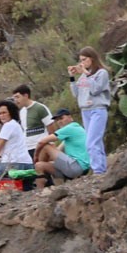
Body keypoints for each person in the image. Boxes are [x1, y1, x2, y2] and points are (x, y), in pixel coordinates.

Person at [68, 46, 110, 174]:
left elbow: (95, 89)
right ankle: (102, 169)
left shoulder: (101, 73)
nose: (82, 63)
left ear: (92, 58)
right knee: (96, 142)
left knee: (91, 142)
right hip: (85, 110)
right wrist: (72, 78)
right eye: (80, 60)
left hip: (98, 109)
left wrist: (86, 73)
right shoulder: (83, 76)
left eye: (84, 59)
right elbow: (76, 94)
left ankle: (98, 171)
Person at [33, 109, 90, 183]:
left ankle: (44, 177)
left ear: (70, 117)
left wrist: (36, 156)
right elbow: (57, 152)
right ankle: (40, 192)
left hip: (77, 167)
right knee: (39, 165)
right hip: (80, 169)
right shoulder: (76, 130)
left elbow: (41, 142)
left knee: (46, 146)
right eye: (57, 120)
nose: (59, 121)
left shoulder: (70, 128)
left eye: (61, 118)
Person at [0, 99, 33, 180]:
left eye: (4, 113)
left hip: (15, 164)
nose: (2, 116)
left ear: (11, 113)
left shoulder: (8, 125)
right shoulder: (16, 125)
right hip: (27, 163)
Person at [10, 84, 55, 157]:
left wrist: (51, 144)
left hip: (41, 147)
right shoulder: (22, 112)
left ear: (26, 96)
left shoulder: (40, 108)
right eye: (14, 98)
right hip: (27, 149)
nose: (16, 100)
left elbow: (51, 128)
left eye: (17, 97)